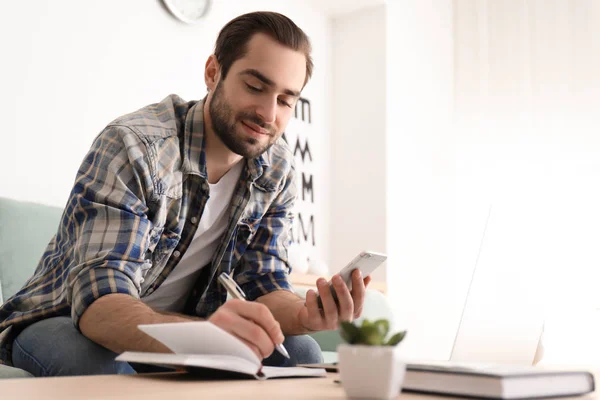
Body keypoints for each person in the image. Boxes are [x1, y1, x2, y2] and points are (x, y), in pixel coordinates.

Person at [0, 11, 371, 377]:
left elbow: (262, 283)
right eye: (255, 87)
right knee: (97, 365)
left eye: (286, 100)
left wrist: (305, 314)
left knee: (301, 350)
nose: (268, 113)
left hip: (187, 330)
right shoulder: (135, 146)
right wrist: (203, 337)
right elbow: (100, 304)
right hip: (66, 318)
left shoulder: (275, 168)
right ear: (213, 73)